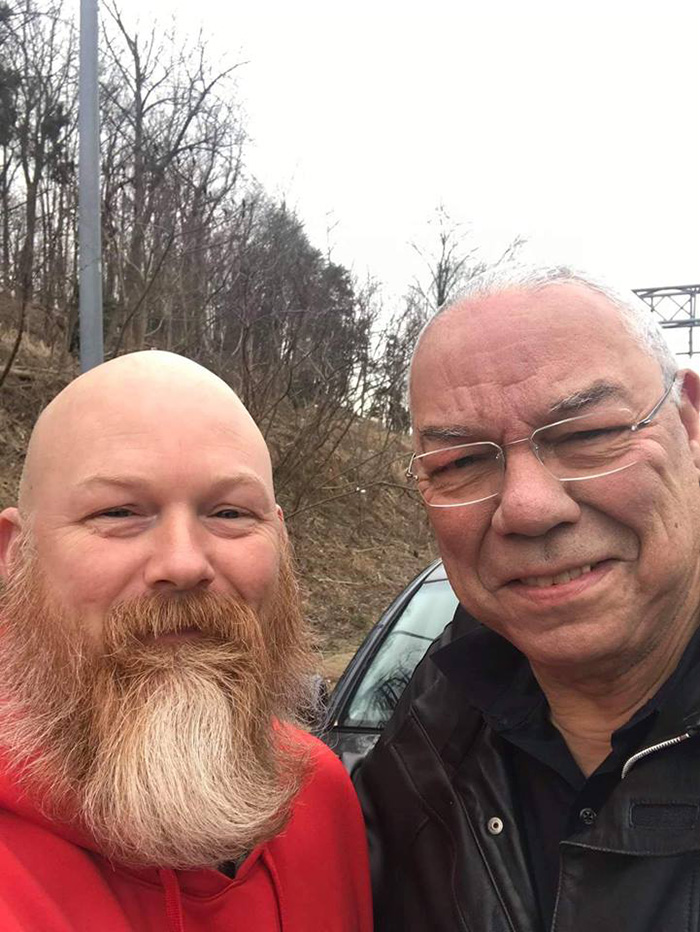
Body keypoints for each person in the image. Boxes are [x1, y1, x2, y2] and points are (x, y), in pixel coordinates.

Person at [355, 264, 700, 932]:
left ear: (689, 423)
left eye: (587, 434)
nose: (528, 507)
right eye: (460, 463)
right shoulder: (421, 751)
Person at [0, 351, 371, 931]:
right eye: (119, 511)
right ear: (15, 552)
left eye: (229, 513)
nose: (183, 563)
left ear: (280, 539)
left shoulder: (322, 796)